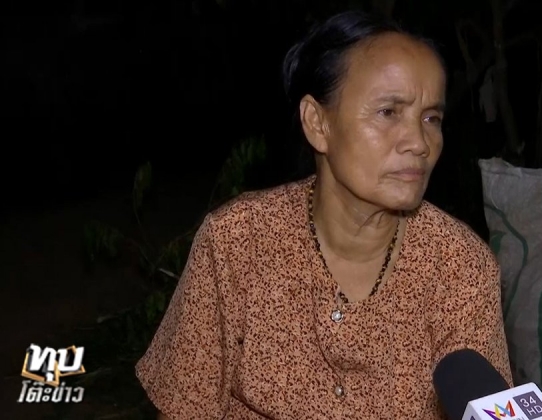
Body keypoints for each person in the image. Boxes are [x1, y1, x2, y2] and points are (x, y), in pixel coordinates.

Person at [135, 10, 511, 420]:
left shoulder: (460, 268)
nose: (420, 142)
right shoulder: (238, 241)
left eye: (431, 118)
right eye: (388, 112)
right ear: (317, 123)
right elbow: (184, 408)